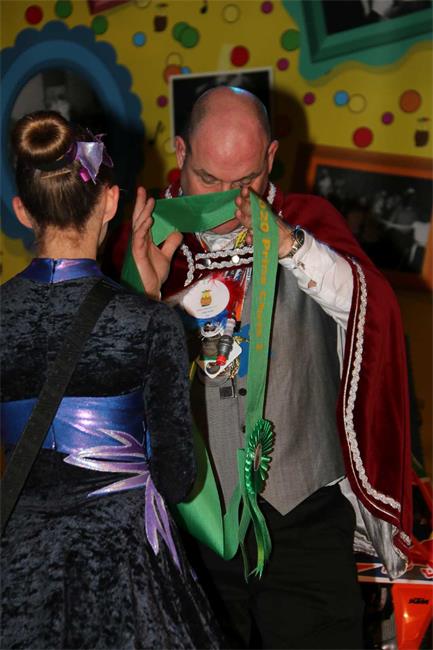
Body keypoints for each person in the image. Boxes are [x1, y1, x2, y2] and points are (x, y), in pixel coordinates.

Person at [123, 87, 412, 649]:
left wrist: (293, 247)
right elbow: (113, 388)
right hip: (190, 518)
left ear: (272, 157)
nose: (228, 201)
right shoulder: (145, 237)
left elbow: (371, 312)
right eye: (209, 179)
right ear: (180, 153)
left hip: (303, 513)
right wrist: (144, 297)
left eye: (247, 180)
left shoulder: (309, 222)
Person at [0, 110, 225, 650]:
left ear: (23, 211)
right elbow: (178, 478)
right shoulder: (149, 323)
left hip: (20, 564)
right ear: (110, 201)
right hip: (124, 567)